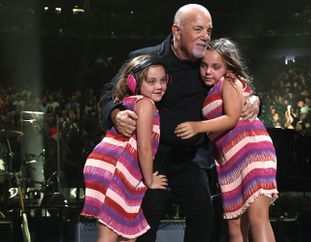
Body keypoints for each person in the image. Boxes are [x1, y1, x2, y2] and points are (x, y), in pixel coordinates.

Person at [100, 4, 260, 242]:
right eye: (198, 29)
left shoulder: (208, 63)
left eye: (209, 30)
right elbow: (108, 92)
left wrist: (255, 100)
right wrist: (114, 114)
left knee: (203, 216)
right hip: (150, 156)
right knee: (146, 220)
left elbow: (237, 82)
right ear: (176, 30)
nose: (206, 36)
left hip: (190, 156)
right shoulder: (145, 58)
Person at [175, 38, 278, 242]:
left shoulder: (229, 80)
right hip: (228, 161)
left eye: (215, 67)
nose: (207, 71)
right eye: (204, 65)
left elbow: (231, 119)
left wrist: (197, 127)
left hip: (251, 152)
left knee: (258, 218)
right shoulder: (211, 88)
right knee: (235, 227)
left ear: (228, 66)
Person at [81, 55, 169, 242]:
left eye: (163, 80)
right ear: (133, 82)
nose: (159, 86)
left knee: (129, 235)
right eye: (151, 81)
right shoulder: (146, 104)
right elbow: (144, 147)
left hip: (111, 167)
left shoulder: (132, 101)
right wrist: (150, 180)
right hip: (115, 170)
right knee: (108, 235)